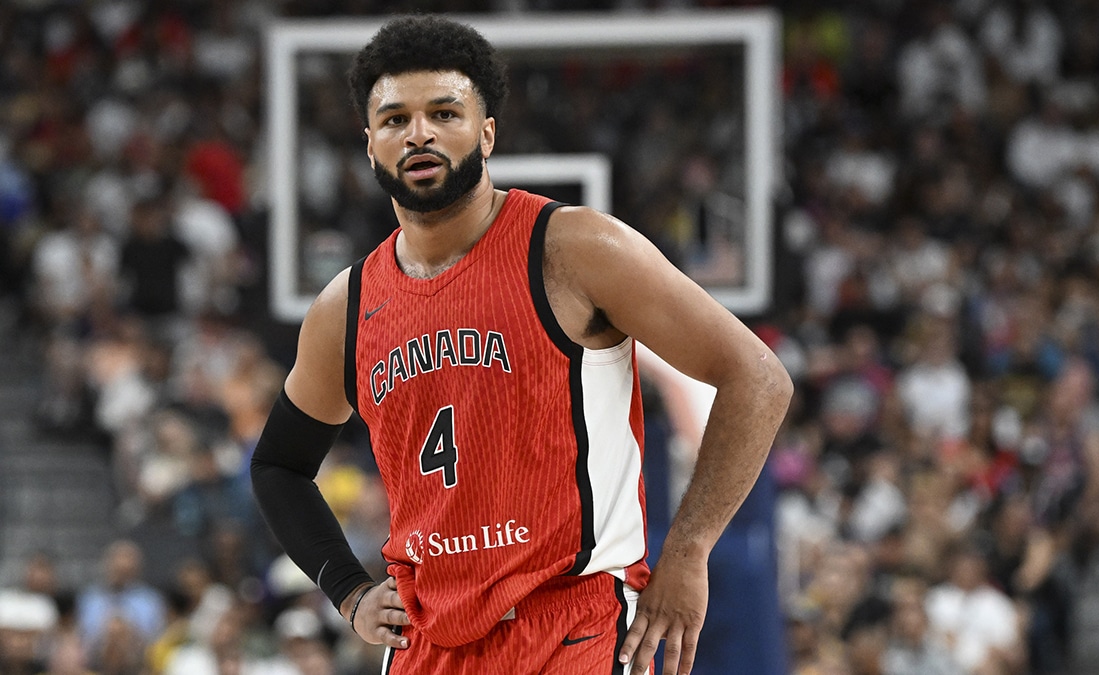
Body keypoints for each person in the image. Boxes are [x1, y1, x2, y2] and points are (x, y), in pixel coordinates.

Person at [250, 14, 792, 675]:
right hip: (429, 642)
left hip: (576, 627)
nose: (418, 132)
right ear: (370, 145)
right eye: (395, 119)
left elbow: (758, 377)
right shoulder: (347, 306)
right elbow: (278, 465)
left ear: (486, 132)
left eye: (443, 112)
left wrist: (688, 550)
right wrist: (349, 589)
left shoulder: (576, 249)